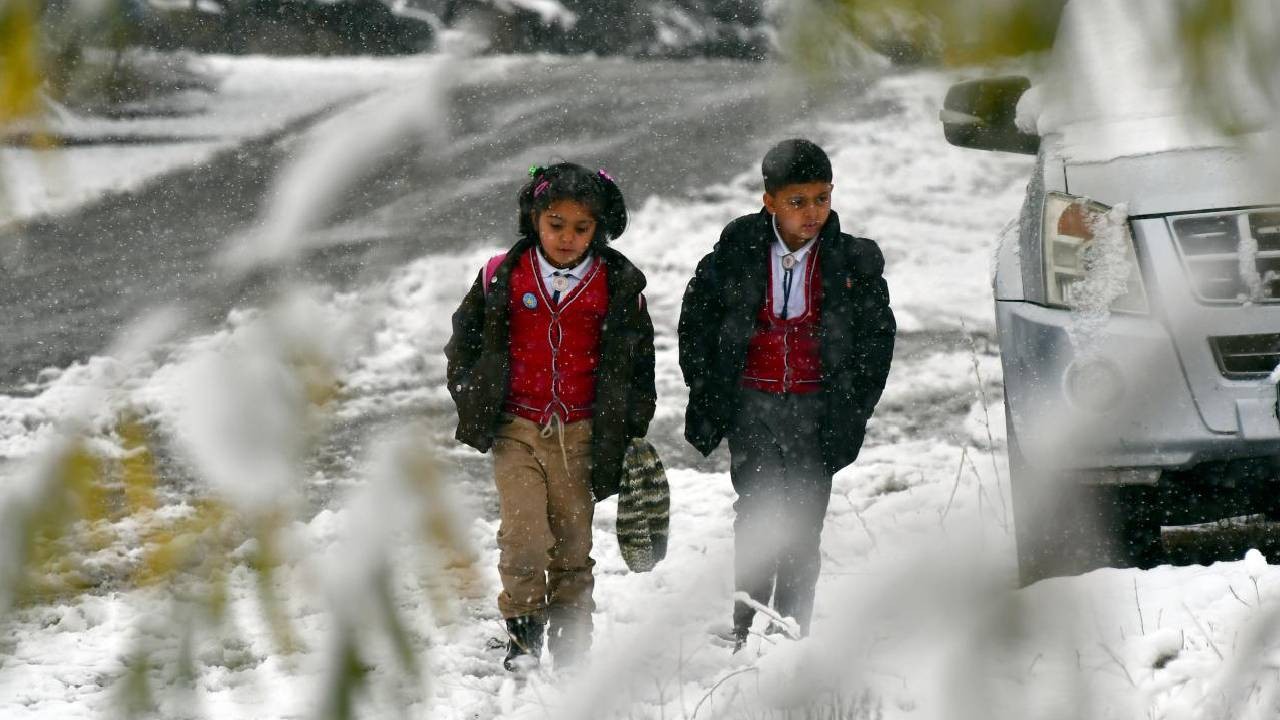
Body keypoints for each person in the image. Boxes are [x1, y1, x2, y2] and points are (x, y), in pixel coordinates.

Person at [677, 138, 895, 650]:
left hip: (816, 411)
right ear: (768, 200)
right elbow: (697, 321)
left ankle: (790, 631)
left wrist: (852, 406)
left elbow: (876, 340)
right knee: (755, 515)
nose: (812, 212)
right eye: (798, 201)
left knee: (802, 523)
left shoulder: (851, 262)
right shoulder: (737, 252)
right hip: (752, 407)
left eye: (822, 198)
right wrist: (708, 388)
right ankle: (744, 625)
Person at [445, 162, 656, 672]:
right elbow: (464, 344)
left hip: (583, 434)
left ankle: (572, 646)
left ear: (598, 229)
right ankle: (522, 637)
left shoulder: (616, 285)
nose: (567, 237)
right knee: (523, 540)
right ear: (534, 220)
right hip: (517, 429)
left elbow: (639, 363)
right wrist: (474, 396)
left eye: (581, 228)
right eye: (555, 224)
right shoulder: (502, 275)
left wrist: (630, 424)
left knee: (572, 544)